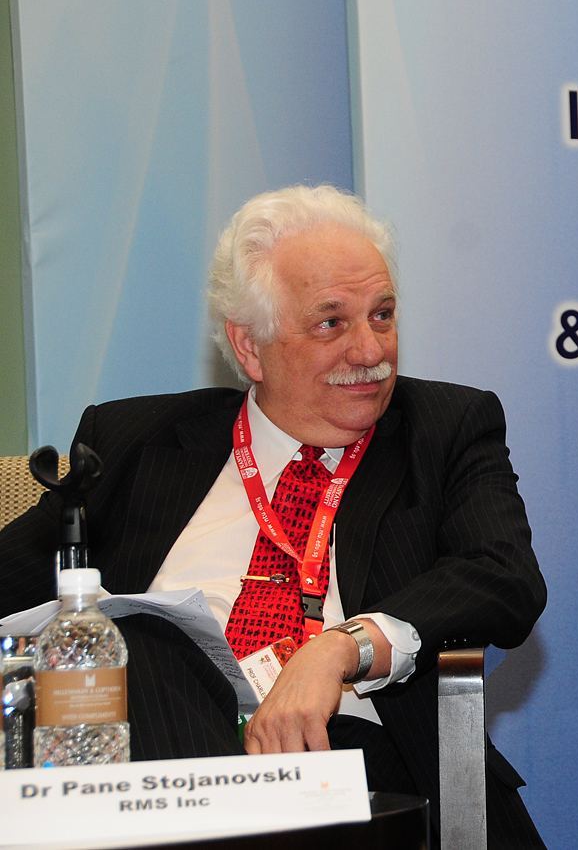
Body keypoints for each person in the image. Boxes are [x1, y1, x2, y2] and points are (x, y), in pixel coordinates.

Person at [0, 185, 547, 849]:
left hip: (359, 772)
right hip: (163, 760)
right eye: (331, 323)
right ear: (250, 346)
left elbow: (503, 576)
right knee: (140, 640)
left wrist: (341, 647)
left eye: (382, 315)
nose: (369, 351)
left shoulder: (444, 429)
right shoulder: (135, 443)